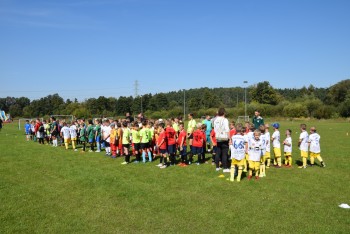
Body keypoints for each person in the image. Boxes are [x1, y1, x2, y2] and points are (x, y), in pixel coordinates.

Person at [213, 108, 230, 173]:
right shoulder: (225, 120)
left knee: (218, 152)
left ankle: (217, 167)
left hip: (217, 137)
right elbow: (227, 129)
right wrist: (230, 138)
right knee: (224, 153)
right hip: (224, 138)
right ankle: (225, 168)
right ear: (224, 113)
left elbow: (214, 129)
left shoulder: (215, 119)